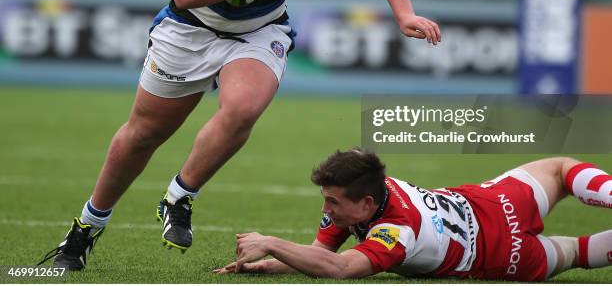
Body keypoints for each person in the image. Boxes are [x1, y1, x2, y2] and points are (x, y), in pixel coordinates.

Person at [37, 0, 441, 270]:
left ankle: (179, 196)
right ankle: (85, 229)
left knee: (244, 107)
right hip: (190, 31)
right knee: (142, 136)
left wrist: (404, 13)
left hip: (257, 32)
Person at [215, 148, 612, 281]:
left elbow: (337, 269)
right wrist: (268, 265)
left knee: (578, 252)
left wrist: (269, 241)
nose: (326, 208)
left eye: (333, 202)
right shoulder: (369, 188)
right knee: (561, 168)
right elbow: (319, 255)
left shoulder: (397, 233)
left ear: (366, 206)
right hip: (497, 200)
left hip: (507, 260)